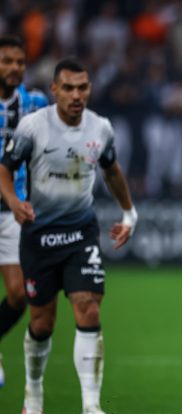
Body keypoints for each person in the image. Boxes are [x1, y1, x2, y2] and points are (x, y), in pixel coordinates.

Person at [0, 59, 137, 414]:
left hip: (81, 234)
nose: (77, 95)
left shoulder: (101, 128)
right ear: (54, 91)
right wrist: (13, 202)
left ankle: (91, 409)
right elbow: (5, 168)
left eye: (83, 88)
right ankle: (33, 394)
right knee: (42, 322)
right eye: (69, 88)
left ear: (89, 89)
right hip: (39, 237)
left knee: (89, 308)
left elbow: (111, 170)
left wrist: (129, 213)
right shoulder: (33, 126)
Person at [0, 35, 48, 389]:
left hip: (14, 209)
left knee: (18, 294)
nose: (14, 68)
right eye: (7, 61)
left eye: (19, 62)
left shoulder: (35, 103)